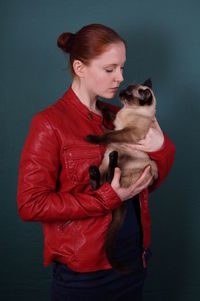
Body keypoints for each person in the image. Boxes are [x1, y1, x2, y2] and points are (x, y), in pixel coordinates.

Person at [17, 23, 175, 301]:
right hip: (85, 274)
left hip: (133, 259)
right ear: (80, 68)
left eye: (122, 68)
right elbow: (30, 205)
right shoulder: (48, 124)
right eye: (110, 69)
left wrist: (161, 147)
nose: (120, 78)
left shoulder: (121, 115)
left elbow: (151, 181)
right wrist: (107, 197)